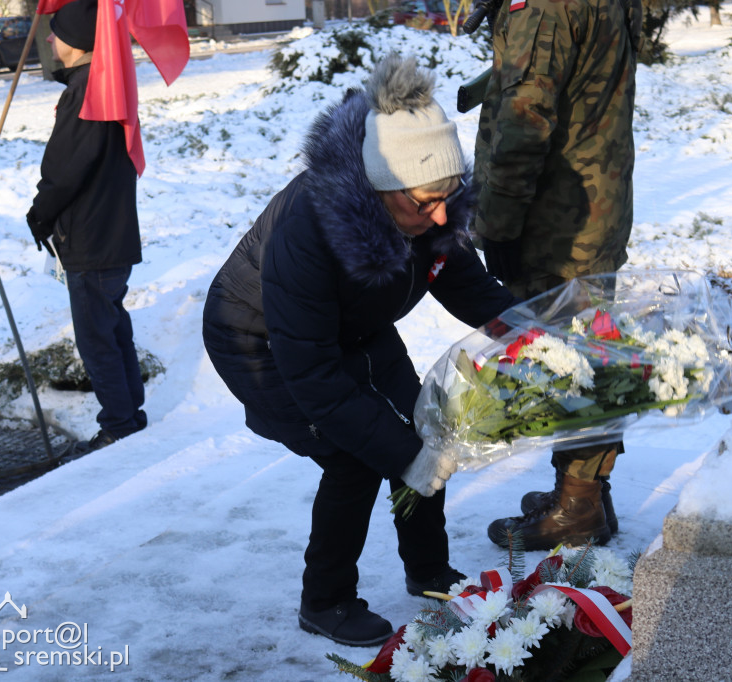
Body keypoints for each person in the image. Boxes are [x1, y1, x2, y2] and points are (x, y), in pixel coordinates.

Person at [202, 54, 517, 648]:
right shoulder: (312, 227)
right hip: (261, 338)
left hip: (355, 326)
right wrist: (401, 456)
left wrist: (525, 328)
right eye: (426, 202)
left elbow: (459, 277)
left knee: (427, 430)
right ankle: (325, 600)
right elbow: (316, 376)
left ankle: (428, 572)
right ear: (380, 187)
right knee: (358, 456)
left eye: (450, 196)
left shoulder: (427, 205)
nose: (443, 214)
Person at [473, 0, 643, 551]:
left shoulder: (542, 7)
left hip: (558, 221)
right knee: (589, 347)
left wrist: (498, 225)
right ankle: (586, 491)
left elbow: (524, 121)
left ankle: (578, 508)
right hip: (592, 206)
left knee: (573, 358)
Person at [26, 0, 147, 454]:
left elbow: (67, 166)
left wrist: (41, 210)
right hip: (111, 234)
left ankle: (119, 424)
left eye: (56, 33)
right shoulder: (102, 87)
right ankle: (130, 414)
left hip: (91, 237)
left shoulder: (86, 93)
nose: (52, 40)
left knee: (98, 338)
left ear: (76, 42)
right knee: (114, 329)